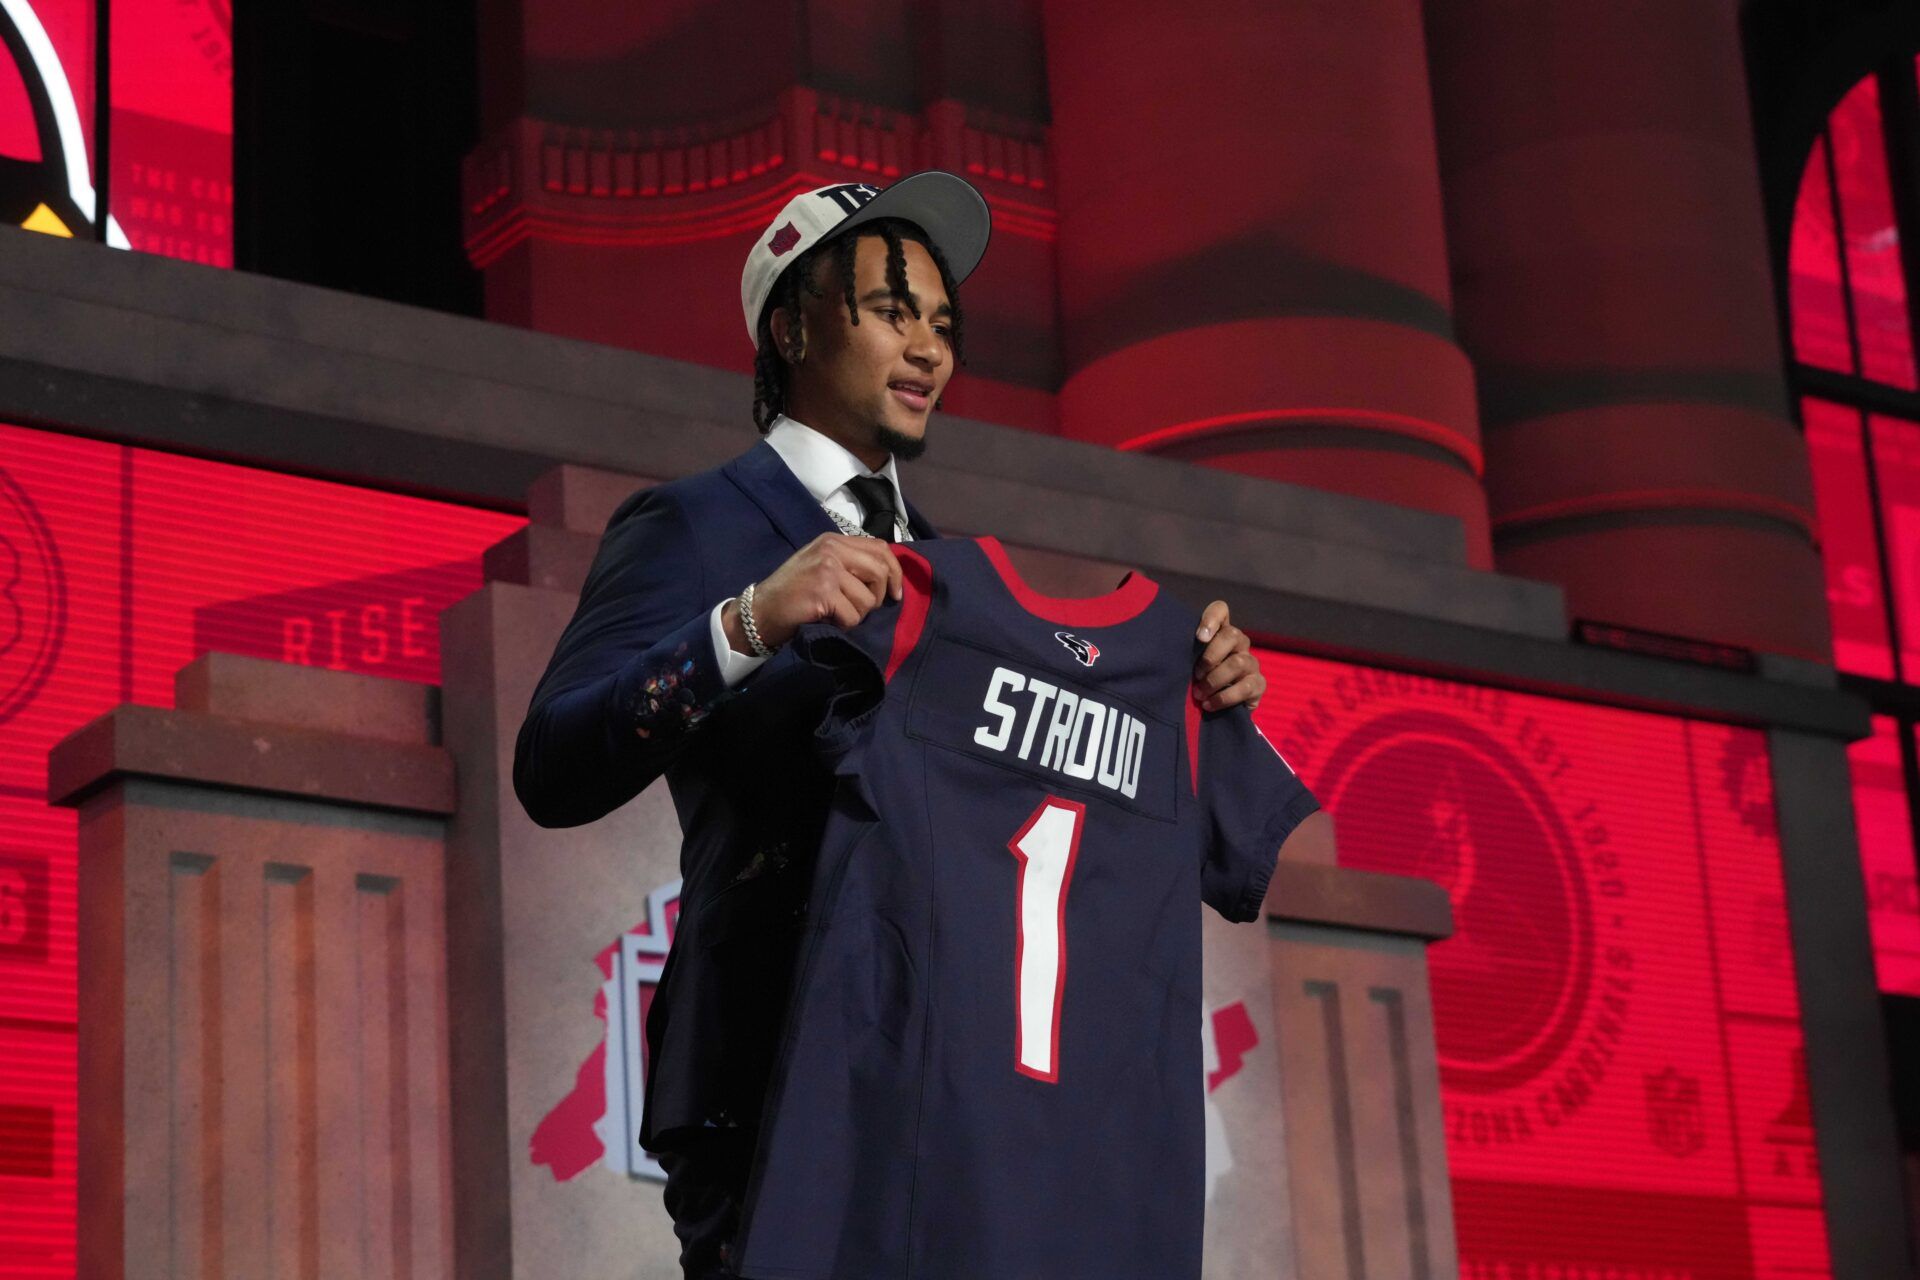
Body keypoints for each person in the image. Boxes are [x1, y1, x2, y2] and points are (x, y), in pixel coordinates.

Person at [512, 171, 1281, 1280]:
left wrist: (1205, 695)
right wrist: (749, 619)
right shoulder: (691, 523)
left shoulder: (962, 582)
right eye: (890, 310)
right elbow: (553, 766)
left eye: (943, 324)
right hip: (770, 1079)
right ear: (793, 326)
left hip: (958, 1101)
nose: (929, 349)